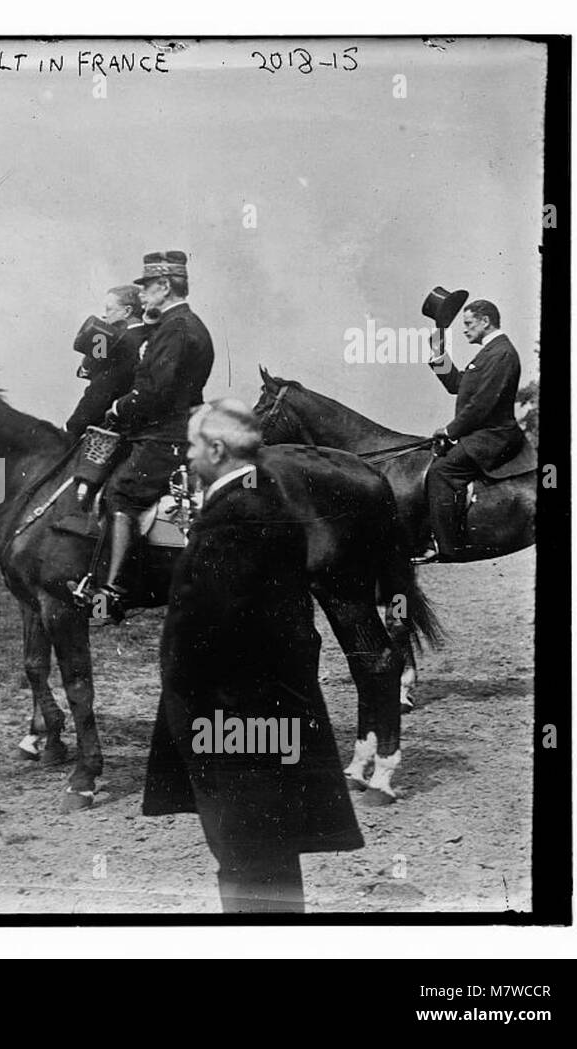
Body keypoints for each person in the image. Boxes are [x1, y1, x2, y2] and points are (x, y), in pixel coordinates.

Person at [141, 400, 364, 913]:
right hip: (255, 722)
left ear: (216, 450)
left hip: (232, 726)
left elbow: (212, 632)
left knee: (247, 862)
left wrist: (191, 704)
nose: (189, 457)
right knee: (262, 860)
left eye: (194, 447)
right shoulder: (256, 501)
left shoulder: (236, 516)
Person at [94, 251, 214, 615]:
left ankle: (113, 591)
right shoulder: (185, 325)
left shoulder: (175, 329)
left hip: (165, 437)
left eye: (147, 287)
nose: (142, 293)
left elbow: (155, 392)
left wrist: (118, 408)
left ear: (164, 286)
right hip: (172, 431)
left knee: (121, 495)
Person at [419, 299, 525, 562]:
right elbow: (457, 384)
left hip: (494, 436)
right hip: (482, 433)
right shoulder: (490, 353)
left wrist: (449, 430)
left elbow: (482, 404)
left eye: (468, 324)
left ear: (485, 321)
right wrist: (438, 350)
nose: (464, 330)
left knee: (442, 471)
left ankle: (448, 548)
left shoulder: (501, 353)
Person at [64, 285, 143, 438]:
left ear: (127, 311)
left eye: (109, 309)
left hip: (109, 428)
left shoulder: (120, 342)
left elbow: (99, 392)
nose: (104, 315)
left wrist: (70, 429)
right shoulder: (145, 335)